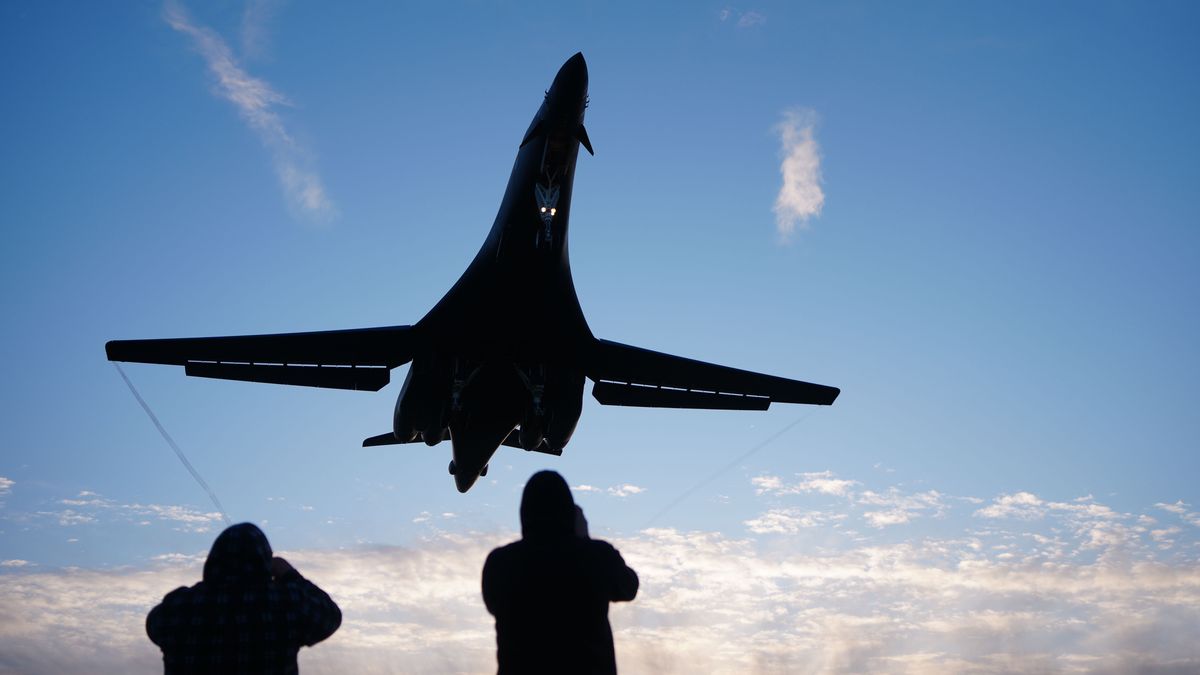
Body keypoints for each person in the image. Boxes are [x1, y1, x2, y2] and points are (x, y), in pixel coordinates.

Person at [482, 470, 639, 674]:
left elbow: (493, 604)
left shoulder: (500, 563)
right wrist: (584, 540)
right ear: (569, 513)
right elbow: (629, 587)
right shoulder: (596, 556)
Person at [146, 522, 341, 674]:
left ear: (213, 559)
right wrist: (289, 574)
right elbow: (330, 615)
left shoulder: (178, 607)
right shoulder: (286, 604)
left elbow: (153, 626)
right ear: (265, 562)